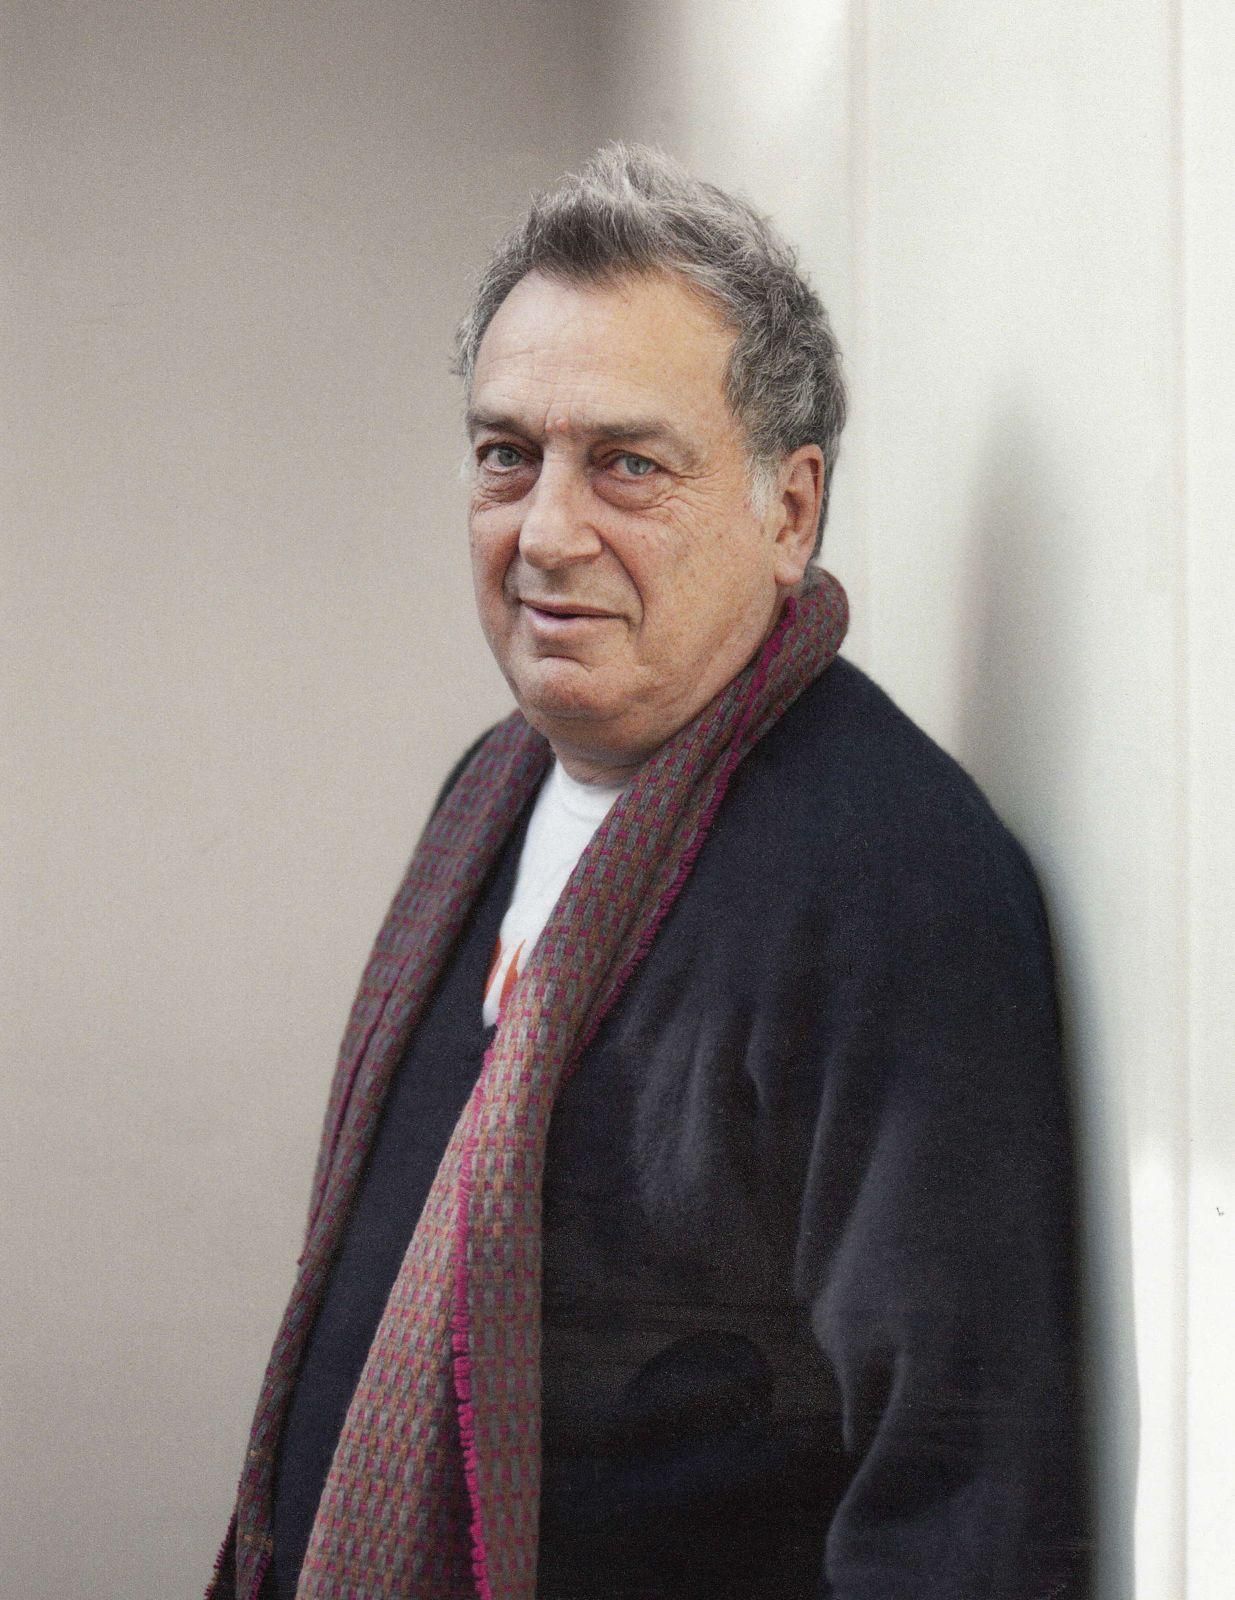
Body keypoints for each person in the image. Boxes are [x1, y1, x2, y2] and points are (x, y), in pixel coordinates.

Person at [207, 144, 1089, 1600]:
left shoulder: (890, 886)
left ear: (788, 511)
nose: (548, 533)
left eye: (628, 464)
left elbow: (960, 1500)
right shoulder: (490, 790)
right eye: (508, 454)